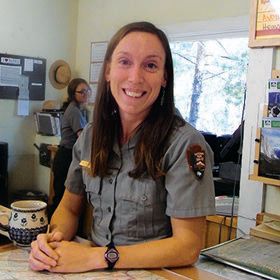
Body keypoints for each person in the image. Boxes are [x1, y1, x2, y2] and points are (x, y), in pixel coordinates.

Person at [29, 21, 215, 273]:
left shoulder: (184, 143)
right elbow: (69, 208)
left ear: (164, 77)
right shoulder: (91, 136)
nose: (135, 77)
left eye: (150, 65)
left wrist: (96, 258)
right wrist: (53, 242)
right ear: (107, 71)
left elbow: (187, 246)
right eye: (125, 62)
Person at [49, 78, 90, 218]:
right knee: (61, 199)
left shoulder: (82, 109)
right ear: (73, 94)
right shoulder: (74, 111)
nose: (86, 94)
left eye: (87, 91)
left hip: (70, 156)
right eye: (81, 92)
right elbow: (83, 137)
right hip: (66, 157)